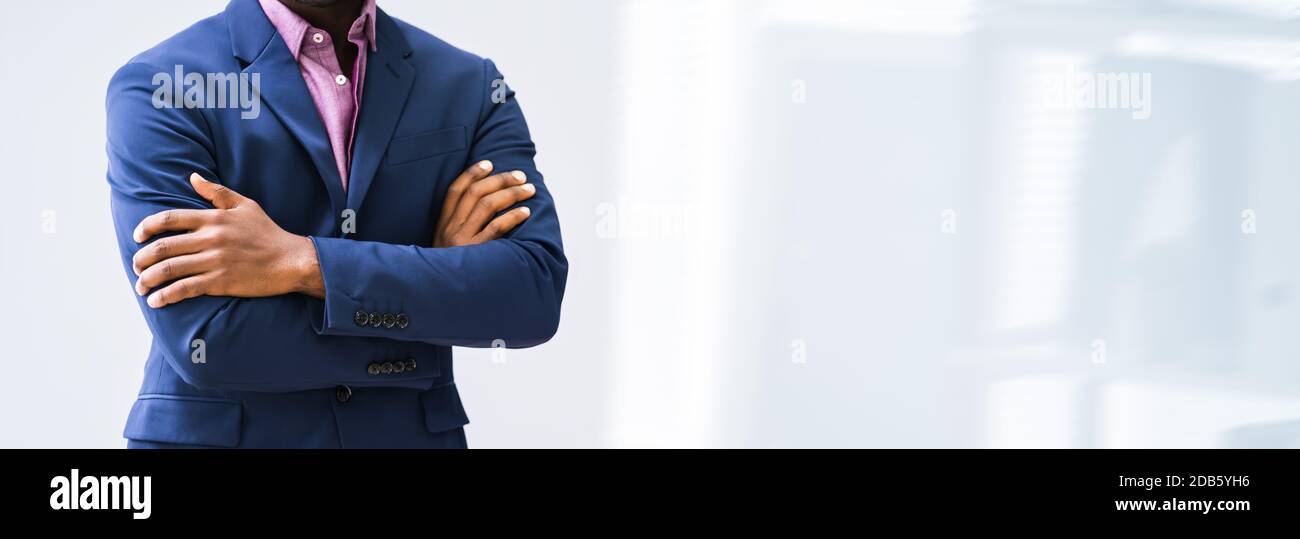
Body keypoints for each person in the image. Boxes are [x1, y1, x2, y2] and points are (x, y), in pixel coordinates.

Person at [106, 0, 566, 448]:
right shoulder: (162, 85)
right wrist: (432, 291)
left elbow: (531, 295)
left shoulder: (470, 85)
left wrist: (304, 261)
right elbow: (208, 338)